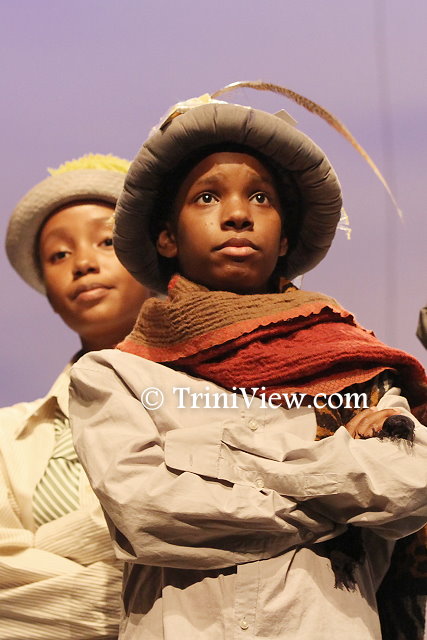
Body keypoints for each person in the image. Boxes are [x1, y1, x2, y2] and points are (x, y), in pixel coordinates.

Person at [69, 90, 427, 639]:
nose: (238, 214)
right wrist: (337, 480)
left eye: (261, 198)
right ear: (167, 236)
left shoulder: (356, 368)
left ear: (283, 239)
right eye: (207, 197)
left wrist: (220, 467)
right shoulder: (117, 376)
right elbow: (147, 512)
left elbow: (410, 482)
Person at [0, 154, 151, 639]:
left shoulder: (219, 397)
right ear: (47, 290)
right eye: (59, 255)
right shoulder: (7, 436)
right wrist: (156, 605)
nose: (83, 263)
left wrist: (42, 549)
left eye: (107, 241)